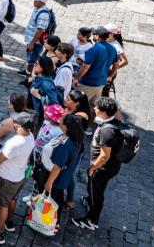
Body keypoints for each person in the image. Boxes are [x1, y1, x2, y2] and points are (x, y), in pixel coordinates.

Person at [0, 112, 34, 244]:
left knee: (3, 205)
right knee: (12, 199)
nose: (13, 125)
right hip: (19, 175)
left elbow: (0, 159)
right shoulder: (30, 136)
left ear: (20, 126)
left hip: (7, 177)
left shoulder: (15, 142)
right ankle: (9, 222)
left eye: (16, 123)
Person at [72, 97, 124, 231]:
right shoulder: (114, 121)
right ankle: (89, 201)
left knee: (97, 193)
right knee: (93, 189)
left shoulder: (107, 131)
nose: (94, 109)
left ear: (104, 112)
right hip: (106, 166)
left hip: (102, 167)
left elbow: (104, 156)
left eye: (97, 108)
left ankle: (92, 220)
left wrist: (93, 167)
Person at [43, 114, 85, 223]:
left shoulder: (65, 145)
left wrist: (49, 182)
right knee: (59, 198)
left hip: (57, 178)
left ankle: (51, 223)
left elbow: (57, 167)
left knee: (54, 200)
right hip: (65, 176)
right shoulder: (77, 137)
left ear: (66, 126)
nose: (59, 120)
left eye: (62, 120)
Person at [73, 26, 117, 102]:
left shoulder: (94, 49)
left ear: (98, 37)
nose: (93, 35)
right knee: (93, 106)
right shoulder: (113, 49)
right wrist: (110, 76)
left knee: (77, 103)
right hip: (102, 83)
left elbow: (85, 67)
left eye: (94, 34)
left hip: (88, 83)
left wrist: (76, 78)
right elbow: (116, 64)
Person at [22, 0, 51, 76]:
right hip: (31, 39)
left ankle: (30, 76)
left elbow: (40, 30)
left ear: (41, 2)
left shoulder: (43, 15)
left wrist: (32, 43)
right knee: (30, 57)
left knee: (32, 58)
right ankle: (28, 72)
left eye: (36, 0)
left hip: (35, 42)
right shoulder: (37, 8)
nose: (34, 2)